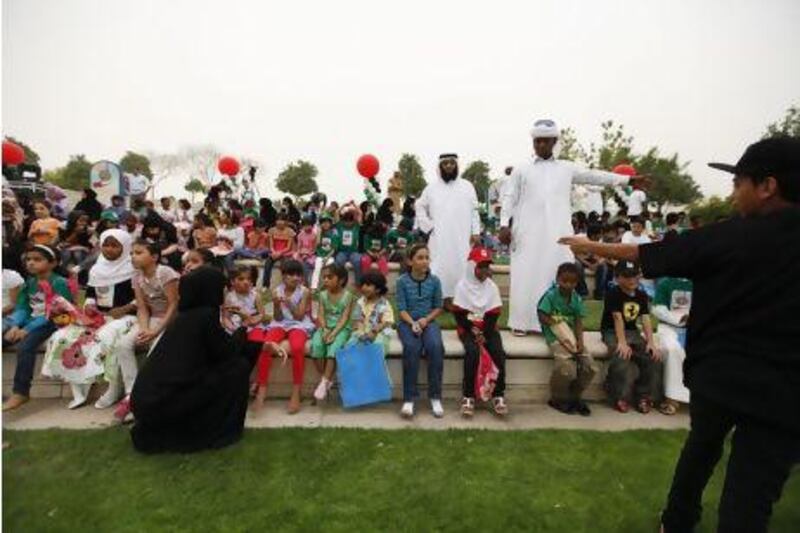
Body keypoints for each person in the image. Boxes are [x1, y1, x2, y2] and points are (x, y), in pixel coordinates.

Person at [560, 137, 800, 532]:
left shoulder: (731, 236)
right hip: (786, 394)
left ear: (767, 186)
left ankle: (677, 522)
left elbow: (648, 255)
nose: (734, 192)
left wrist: (591, 245)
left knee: (701, 450)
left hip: (722, 379)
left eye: (739, 182)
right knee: (751, 499)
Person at [499, 119, 645, 335]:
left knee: (556, 272)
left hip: (558, 232)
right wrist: (504, 224)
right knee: (525, 276)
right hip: (527, 231)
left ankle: (554, 322)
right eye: (536, 141)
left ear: (554, 142)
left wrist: (628, 181)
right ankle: (521, 323)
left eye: (544, 141)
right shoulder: (521, 169)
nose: (540, 146)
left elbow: (595, 175)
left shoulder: (566, 168)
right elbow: (509, 198)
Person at [130, 266, 255, 454]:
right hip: (161, 404)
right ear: (209, 289)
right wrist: (244, 327)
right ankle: (221, 429)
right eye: (221, 287)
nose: (224, 291)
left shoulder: (188, 316)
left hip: (150, 402)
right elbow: (227, 352)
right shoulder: (205, 316)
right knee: (238, 368)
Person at [94, 240, 180, 421]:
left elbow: (174, 305)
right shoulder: (137, 277)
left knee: (155, 351)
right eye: (132, 253)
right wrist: (144, 329)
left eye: (139, 252)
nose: (133, 256)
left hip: (171, 320)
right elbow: (141, 308)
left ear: (154, 257)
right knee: (123, 344)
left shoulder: (165, 273)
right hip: (151, 319)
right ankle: (131, 393)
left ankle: (149, 396)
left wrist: (154, 332)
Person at [3, 245, 73, 411]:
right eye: (28, 259)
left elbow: (55, 312)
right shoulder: (30, 283)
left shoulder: (59, 283)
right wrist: (15, 325)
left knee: (26, 347)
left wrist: (26, 330)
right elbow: (23, 308)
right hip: (34, 320)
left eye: (37, 259)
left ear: (53, 263)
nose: (31, 263)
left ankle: (21, 392)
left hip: (55, 320)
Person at [249, 259, 314, 414]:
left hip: (298, 324)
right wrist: (277, 305)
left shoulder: (305, 291)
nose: (295, 278)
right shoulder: (276, 290)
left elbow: (298, 316)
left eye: (298, 275)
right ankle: (262, 389)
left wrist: (289, 303)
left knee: (297, 347)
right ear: (283, 276)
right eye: (291, 275)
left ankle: (296, 392)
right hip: (279, 324)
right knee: (267, 345)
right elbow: (278, 318)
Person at [415, 153, 481, 302]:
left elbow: (475, 211)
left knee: (462, 266)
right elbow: (419, 206)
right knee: (438, 267)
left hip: (461, 236)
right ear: (440, 166)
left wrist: (476, 232)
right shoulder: (431, 188)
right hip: (439, 237)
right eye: (445, 164)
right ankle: (439, 300)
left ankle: (460, 300)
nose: (449, 166)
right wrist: (428, 226)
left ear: (456, 165)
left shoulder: (467, 186)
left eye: (452, 163)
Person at [451, 247, 508, 417]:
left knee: (498, 353)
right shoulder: (462, 286)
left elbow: (493, 313)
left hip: (488, 329)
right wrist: (472, 330)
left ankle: (498, 395)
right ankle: (468, 396)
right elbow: (459, 314)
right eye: (481, 266)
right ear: (471, 267)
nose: (485, 270)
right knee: (472, 353)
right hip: (468, 328)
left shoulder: (491, 287)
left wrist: (485, 334)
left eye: (487, 266)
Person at [599, 261, 661, 414]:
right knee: (622, 357)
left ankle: (644, 396)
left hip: (633, 332)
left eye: (634, 275)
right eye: (627, 276)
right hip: (612, 331)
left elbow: (645, 319)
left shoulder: (641, 295)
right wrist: (622, 343)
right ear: (617, 278)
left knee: (652, 357)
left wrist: (651, 343)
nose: (632, 280)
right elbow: (617, 318)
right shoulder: (613, 293)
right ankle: (619, 396)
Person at [537, 263, 596, 416]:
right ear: (558, 279)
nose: (568, 285)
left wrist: (580, 342)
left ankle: (575, 396)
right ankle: (558, 398)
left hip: (571, 336)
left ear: (577, 282)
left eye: (572, 282)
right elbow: (542, 315)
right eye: (564, 281)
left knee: (590, 366)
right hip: (555, 336)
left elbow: (578, 321)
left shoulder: (576, 298)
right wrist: (559, 329)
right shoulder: (550, 295)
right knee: (566, 368)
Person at [395, 243, 445, 419]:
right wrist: (413, 323)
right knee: (411, 348)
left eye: (427, 257)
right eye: (420, 258)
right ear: (410, 261)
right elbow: (401, 309)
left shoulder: (435, 281)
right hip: (407, 323)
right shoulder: (401, 281)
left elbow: (439, 307)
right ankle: (409, 398)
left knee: (435, 347)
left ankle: (435, 396)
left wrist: (426, 320)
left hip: (429, 322)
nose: (425, 261)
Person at [310, 263, 354, 402]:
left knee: (334, 347)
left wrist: (334, 333)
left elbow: (344, 318)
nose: (326, 280)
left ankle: (324, 382)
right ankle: (326, 379)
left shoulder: (348, 296)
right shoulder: (323, 295)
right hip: (326, 327)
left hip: (341, 329)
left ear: (341, 280)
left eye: (330, 277)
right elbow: (321, 315)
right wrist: (324, 330)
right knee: (316, 345)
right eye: (324, 277)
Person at [651, 270, 692, 416]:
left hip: (696, 327)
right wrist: (679, 319)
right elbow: (657, 309)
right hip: (669, 326)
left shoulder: (700, 282)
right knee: (672, 349)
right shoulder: (666, 283)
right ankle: (672, 399)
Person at [348, 271, 395, 354]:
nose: (364, 287)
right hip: (362, 330)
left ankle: (374, 365)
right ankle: (355, 366)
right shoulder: (360, 302)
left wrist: (374, 332)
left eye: (368, 285)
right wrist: (361, 333)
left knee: (378, 345)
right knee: (351, 344)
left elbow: (386, 322)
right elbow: (357, 320)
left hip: (380, 331)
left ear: (378, 289)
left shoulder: (384, 304)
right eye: (363, 284)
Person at [221, 265, 264, 334]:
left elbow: (261, 314)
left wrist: (252, 321)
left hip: (252, 327)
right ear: (232, 281)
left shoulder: (255, 295)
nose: (246, 282)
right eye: (241, 279)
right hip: (235, 328)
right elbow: (226, 317)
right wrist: (232, 328)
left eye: (249, 279)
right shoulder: (229, 297)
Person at [264, 213, 296, 288]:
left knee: (285, 266)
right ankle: (265, 285)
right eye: (278, 219)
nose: (280, 222)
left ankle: (286, 284)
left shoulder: (290, 231)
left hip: (285, 253)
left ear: (286, 222)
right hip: (274, 252)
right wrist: (274, 252)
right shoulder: (271, 230)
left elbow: (288, 247)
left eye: (282, 220)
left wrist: (279, 253)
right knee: (267, 264)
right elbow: (271, 245)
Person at [334, 206, 362, 284]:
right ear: (343, 220)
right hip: (342, 252)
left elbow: (360, 213)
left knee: (358, 262)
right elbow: (337, 213)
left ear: (353, 221)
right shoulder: (339, 226)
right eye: (346, 221)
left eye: (350, 221)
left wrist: (354, 205)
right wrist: (344, 205)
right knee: (338, 262)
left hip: (353, 252)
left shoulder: (356, 226)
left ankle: (358, 284)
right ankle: (338, 282)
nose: (348, 223)